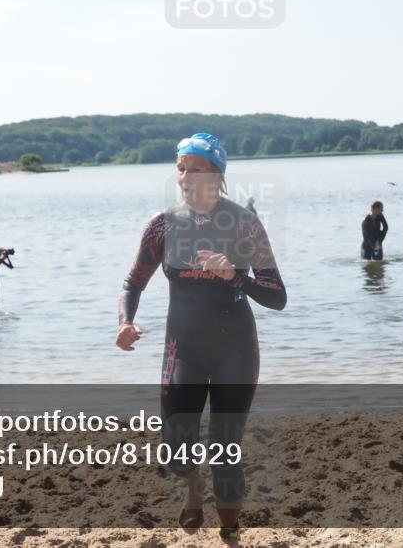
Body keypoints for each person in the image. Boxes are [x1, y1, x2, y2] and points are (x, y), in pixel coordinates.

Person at [116, 133, 287, 540]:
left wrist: (236, 276)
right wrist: (125, 322)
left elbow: (277, 296)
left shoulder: (244, 224)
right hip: (183, 351)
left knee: (226, 450)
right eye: (181, 169)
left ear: (216, 175)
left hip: (234, 351)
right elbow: (132, 282)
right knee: (176, 450)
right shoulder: (162, 225)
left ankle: (230, 531)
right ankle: (193, 488)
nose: (185, 178)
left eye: (195, 169)